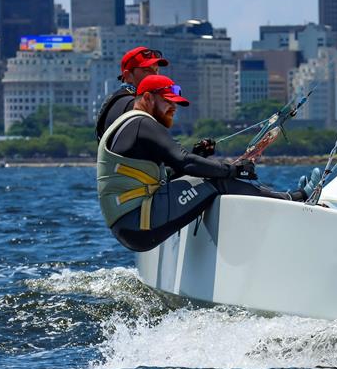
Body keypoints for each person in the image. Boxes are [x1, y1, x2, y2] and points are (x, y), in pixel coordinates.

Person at [97, 75, 320, 252]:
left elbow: (173, 171)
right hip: (138, 223)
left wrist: (198, 156)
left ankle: (288, 197)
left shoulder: (128, 125)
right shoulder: (141, 123)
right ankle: (295, 199)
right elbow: (184, 162)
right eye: (167, 102)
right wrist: (232, 170)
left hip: (131, 224)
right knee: (217, 181)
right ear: (146, 98)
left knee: (210, 175)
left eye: (176, 104)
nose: (173, 108)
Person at [94, 46, 169, 140]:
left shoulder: (119, 98)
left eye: (156, 70)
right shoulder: (133, 104)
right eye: (147, 71)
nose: (155, 76)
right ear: (128, 76)